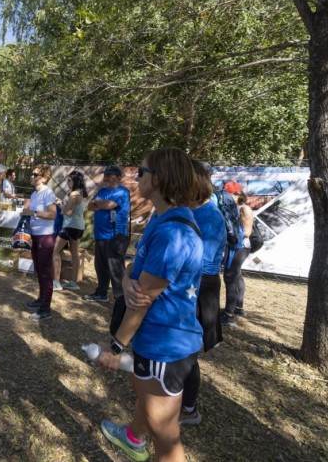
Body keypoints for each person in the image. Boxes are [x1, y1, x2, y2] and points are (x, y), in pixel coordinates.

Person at [95, 148, 205, 462]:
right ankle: (132, 438)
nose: (136, 177)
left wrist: (115, 348)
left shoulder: (173, 232)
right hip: (156, 342)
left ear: (159, 179)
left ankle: (139, 439)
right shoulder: (161, 216)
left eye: (141, 172)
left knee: (165, 437)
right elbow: (135, 266)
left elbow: (141, 303)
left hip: (165, 345)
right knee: (144, 392)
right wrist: (128, 280)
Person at [179, 160, 227, 425]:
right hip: (186, 283)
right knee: (179, 345)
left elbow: (201, 260)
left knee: (188, 350)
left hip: (200, 285)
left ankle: (188, 409)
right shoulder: (185, 209)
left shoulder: (210, 216)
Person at [84, 165, 131, 333]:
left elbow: (110, 205)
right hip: (101, 235)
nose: (109, 179)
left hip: (116, 236)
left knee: (116, 270)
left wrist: (100, 204)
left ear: (119, 178)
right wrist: (98, 203)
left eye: (113, 176)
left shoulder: (123, 192)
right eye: (107, 176)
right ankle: (101, 292)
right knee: (101, 266)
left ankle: (121, 299)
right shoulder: (102, 191)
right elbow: (90, 206)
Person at [24, 164, 58, 321]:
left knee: (46, 273)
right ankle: (41, 298)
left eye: (35, 174)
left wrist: (35, 213)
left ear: (44, 178)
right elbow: (30, 212)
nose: (32, 176)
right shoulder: (34, 194)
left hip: (45, 236)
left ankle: (46, 308)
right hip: (36, 235)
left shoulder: (47, 193)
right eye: (32, 174)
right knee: (38, 269)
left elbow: (52, 215)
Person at [221, 181, 253, 326]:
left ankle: (229, 315)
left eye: (230, 194)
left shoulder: (244, 209)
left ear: (238, 194)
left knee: (230, 276)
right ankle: (238, 308)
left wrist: (233, 234)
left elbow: (247, 232)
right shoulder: (231, 208)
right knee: (237, 275)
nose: (227, 197)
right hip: (234, 246)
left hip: (240, 247)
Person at [52, 170, 87, 291]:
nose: (67, 182)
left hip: (69, 226)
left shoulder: (74, 194)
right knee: (75, 254)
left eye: (70, 180)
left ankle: (56, 282)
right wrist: (63, 203)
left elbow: (68, 212)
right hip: (79, 227)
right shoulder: (81, 193)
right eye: (67, 179)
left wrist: (59, 204)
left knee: (55, 251)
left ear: (76, 181)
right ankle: (73, 282)